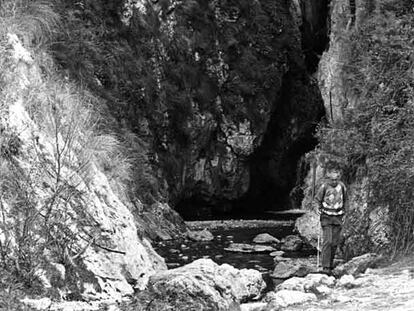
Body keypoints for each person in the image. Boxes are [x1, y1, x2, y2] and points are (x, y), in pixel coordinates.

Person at [314, 164, 346, 275]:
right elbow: (317, 200)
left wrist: (345, 213)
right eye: (332, 180)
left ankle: (330, 264)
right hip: (326, 217)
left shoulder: (342, 187)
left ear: (339, 178)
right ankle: (325, 267)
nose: (334, 181)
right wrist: (317, 208)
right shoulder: (324, 187)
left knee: (334, 243)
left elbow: (345, 201)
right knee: (328, 241)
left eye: (336, 179)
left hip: (338, 217)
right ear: (328, 179)